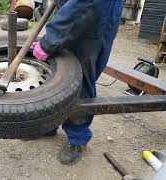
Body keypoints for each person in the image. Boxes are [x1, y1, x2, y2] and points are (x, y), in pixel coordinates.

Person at [32, 0, 123, 165]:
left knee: (79, 79)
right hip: (71, 8)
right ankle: (51, 122)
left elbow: (87, 3)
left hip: (94, 17)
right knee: (57, 71)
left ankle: (77, 138)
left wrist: (50, 41)